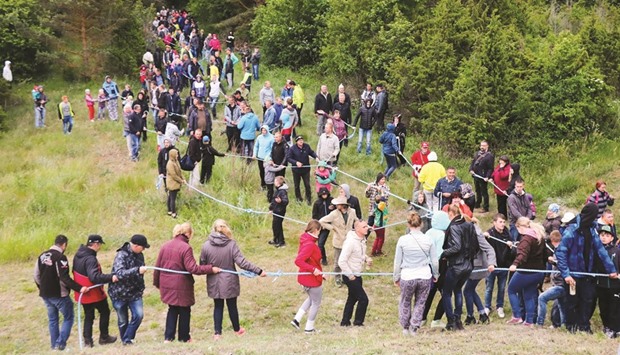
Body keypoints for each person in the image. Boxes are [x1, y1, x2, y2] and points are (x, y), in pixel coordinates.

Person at [556, 203, 618, 333]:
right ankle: (571, 326)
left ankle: (584, 326)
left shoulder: (592, 230)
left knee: (587, 300)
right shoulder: (571, 231)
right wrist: (566, 274)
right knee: (572, 301)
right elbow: (561, 252)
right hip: (572, 275)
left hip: (587, 274)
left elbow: (601, 251)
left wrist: (611, 270)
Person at [200, 219, 267, 340]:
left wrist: (211, 268)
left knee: (218, 306)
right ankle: (237, 330)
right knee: (232, 306)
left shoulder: (206, 245)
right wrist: (259, 271)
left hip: (214, 282)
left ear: (214, 229)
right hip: (229, 281)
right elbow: (242, 263)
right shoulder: (231, 244)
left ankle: (217, 333)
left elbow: (202, 265)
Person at [153, 223, 220, 343]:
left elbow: (158, 266)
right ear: (188, 234)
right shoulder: (185, 248)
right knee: (184, 310)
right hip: (181, 284)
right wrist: (210, 268)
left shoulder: (165, 245)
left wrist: (157, 283)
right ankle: (184, 337)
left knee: (172, 309)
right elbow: (193, 268)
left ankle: (168, 338)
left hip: (166, 283)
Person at [34, 235, 88, 351]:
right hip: (59, 295)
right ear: (64, 244)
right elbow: (64, 277)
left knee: (53, 320)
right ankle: (60, 344)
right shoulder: (60, 257)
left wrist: (42, 288)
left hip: (45, 295)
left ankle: (54, 346)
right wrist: (79, 288)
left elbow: (36, 276)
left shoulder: (42, 256)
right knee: (68, 317)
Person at [393, 212, 439, 335]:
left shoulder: (402, 240)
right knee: (420, 302)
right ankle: (414, 325)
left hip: (407, 274)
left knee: (405, 301)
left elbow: (398, 261)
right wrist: (436, 274)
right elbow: (434, 261)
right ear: (422, 224)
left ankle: (405, 326)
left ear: (408, 224)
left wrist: (396, 276)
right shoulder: (428, 239)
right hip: (424, 274)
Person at [72, 235, 118, 347]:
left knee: (89, 315)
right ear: (96, 244)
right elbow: (94, 277)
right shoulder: (91, 259)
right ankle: (104, 337)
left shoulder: (78, 255)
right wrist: (111, 277)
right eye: (100, 244)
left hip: (82, 293)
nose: (100, 247)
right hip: (93, 293)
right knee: (105, 311)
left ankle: (88, 341)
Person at [440, 204, 479, 331]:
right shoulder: (469, 225)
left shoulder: (454, 226)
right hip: (468, 265)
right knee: (458, 290)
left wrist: (443, 253)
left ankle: (451, 321)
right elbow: (476, 246)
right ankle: (458, 320)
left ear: (451, 214)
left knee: (446, 293)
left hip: (456, 265)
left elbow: (456, 247)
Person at [108, 234, 150, 346]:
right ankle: (126, 341)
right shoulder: (121, 255)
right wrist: (137, 270)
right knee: (123, 320)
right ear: (136, 246)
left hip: (135, 293)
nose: (144, 249)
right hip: (119, 293)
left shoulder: (140, 255)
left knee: (139, 315)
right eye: (143, 247)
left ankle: (127, 338)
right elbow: (120, 273)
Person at [506, 218, 547, 326]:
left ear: (520, 227)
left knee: (511, 290)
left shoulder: (527, 239)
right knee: (528, 295)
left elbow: (522, 254)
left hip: (526, 271)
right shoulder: (538, 236)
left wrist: (515, 264)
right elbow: (544, 253)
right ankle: (529, 321)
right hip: (538, 272)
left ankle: (517, 316)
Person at [291, 220, 324, 333]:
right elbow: (299, 260)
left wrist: (318, 271)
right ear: (316, 231)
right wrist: (313, 269)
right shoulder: (310, 244)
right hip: (311, 279)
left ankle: (297, 319)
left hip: (306, 278)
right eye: (319, 232)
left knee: (311, 298)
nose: (319, 234)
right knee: (316, 302)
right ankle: (309, 328)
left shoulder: (305, 239)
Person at [339, 220, 373, 326]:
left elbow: (358, 254)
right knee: (363, 299)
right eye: (364, 227)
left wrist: (366, 258)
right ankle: (358, 322)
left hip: (357, 274)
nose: (367, 228)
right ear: (357, 229)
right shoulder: (351, 242)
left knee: (352, 298)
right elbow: (341, 261)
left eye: (367, 226)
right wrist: (350, 275)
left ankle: (345, 322)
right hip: (350, 275)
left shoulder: (362, 240)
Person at [463, 217, 496, 325]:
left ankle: (470, 316)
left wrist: (492, 263)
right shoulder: (467, 232)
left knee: (467, 290)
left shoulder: (476, 234)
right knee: (470, 290)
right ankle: (482, 315)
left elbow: (489, 249)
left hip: (478, 267)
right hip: (471, 265)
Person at [320, 196, 359, 286]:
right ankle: (337, 278)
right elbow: (322, 221)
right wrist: (332, 228)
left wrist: (363, 227)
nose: (336, 205)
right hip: (338, 241)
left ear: (342, 205)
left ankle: (346, 277)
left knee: (348, 261)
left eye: (337, 204)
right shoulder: (334, 214)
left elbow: (356, 221)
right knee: (337, 262)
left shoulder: (352, 211)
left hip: (349, 241)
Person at [421, 212, 450, 329]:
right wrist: (437, 272)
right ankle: (437, 319)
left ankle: (422, 318)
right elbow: (438, 255)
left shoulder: (428, 232)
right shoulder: (441, 235)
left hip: (426, 266)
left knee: (429, 293)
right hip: (438, 267)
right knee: (446, 293)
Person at [483, 213, 513, 318]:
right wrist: (485, 236)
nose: (503, 224)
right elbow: (482, 242)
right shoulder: (490, 233)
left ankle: (499, 306)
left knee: (501, 288)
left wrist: (510, 244)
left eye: (504, 222)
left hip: (503, 265)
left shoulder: (507, 233)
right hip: (492, 266)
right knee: (489, 287)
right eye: (500, 222)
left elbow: (513, 246)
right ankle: (487, 307)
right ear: (494, 222)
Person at [594, 225, 620, 338]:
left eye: (607, 235)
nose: (604, 237)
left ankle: (616, 328)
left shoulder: (616, 251)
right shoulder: (596, 251)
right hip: (601, 285)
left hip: (615, 286)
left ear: (612, 238)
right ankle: (607, 327)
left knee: (614, 308)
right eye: (602, 235)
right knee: (603, 308)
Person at [537, 230, 566, 327]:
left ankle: (540, 323)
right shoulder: (561, 249)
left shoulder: (560, 251)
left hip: (560, 284)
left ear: (552, 240)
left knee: (542, 298)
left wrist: (553, 262)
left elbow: (562, 265)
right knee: (561, 305)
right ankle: (563, 325)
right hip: (560, 284)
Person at [287, 135, 317, 205]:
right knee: (297, 185)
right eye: (299, 140)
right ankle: (298, 199)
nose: (301, 141)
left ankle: (308, 199)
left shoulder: (306, 146)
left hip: (306, 170)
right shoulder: (292, 149)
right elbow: (288, 158)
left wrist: (316, 157)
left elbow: (311, 152)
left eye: (302, 140)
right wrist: (296, 162)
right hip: (296, 170)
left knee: (307, 185)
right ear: (296, 142)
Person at [469, 140, 495, 213]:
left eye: (484, 145)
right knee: (477, 190)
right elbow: (473, 162)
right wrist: (471, 169)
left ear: (487, 146)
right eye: (481, 145)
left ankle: (486, 207)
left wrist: (487, 176)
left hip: (483, 177)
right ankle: (478, 203)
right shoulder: (476, 153)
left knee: (484, 192)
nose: (482, 147)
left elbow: (490, 168)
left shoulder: (489, 156)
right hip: (476, 175)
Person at [312, 187, 334, 265]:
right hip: (320, 226)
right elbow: (314, 216)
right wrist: (317, 225)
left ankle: (323, 259)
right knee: (320, 244)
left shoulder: (332, 201)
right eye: (323, 194)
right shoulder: (317, 203)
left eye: (325, 194)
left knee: (321, 244)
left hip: (329, 225)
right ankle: (322, 258)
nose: (324, 195)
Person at [269, 176, 289, 247]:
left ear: (278, 183)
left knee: (278, 226)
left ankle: (281, 241)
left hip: (280, 211)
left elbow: (286, 201)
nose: (274, 182)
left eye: (275, 181)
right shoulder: (277, 190)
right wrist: (271, 208)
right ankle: (275, 239)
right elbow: (273, 201)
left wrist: (281, 201)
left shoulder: (282, 191)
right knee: (274, 226)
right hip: (275, 211)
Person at [166, 149, 185, 218]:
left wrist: (183, 179)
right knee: (172, 198)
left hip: (176, 182)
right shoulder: (170, 163)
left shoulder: (176, 161)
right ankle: (173, 213)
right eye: (176, 154)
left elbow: (179, 171)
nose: (177, 155)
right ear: (172, 155)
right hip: (172, 183)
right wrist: (181, 181)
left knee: (170, 197)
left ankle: (169, 211)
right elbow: (173, 175)